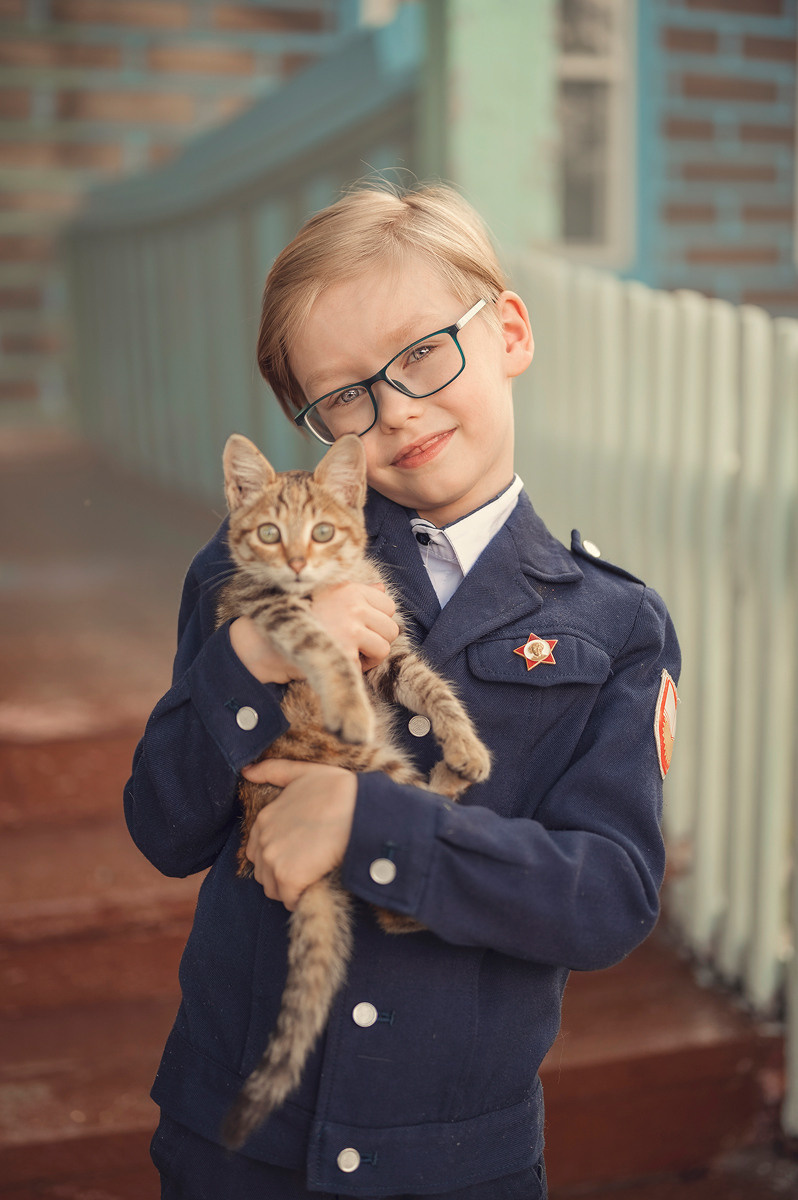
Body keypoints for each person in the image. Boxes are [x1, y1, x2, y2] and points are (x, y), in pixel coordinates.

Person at [125, 183, 680, 1200]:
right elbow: (161, 824)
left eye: (423, 351)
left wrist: (369, 822)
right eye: (343, 394)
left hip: (455, 1163)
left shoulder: (614, 626)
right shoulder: (252, 565)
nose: (395, 411)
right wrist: (256, 657)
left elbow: (608, 896)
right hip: (238, 1143)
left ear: (508, 331)